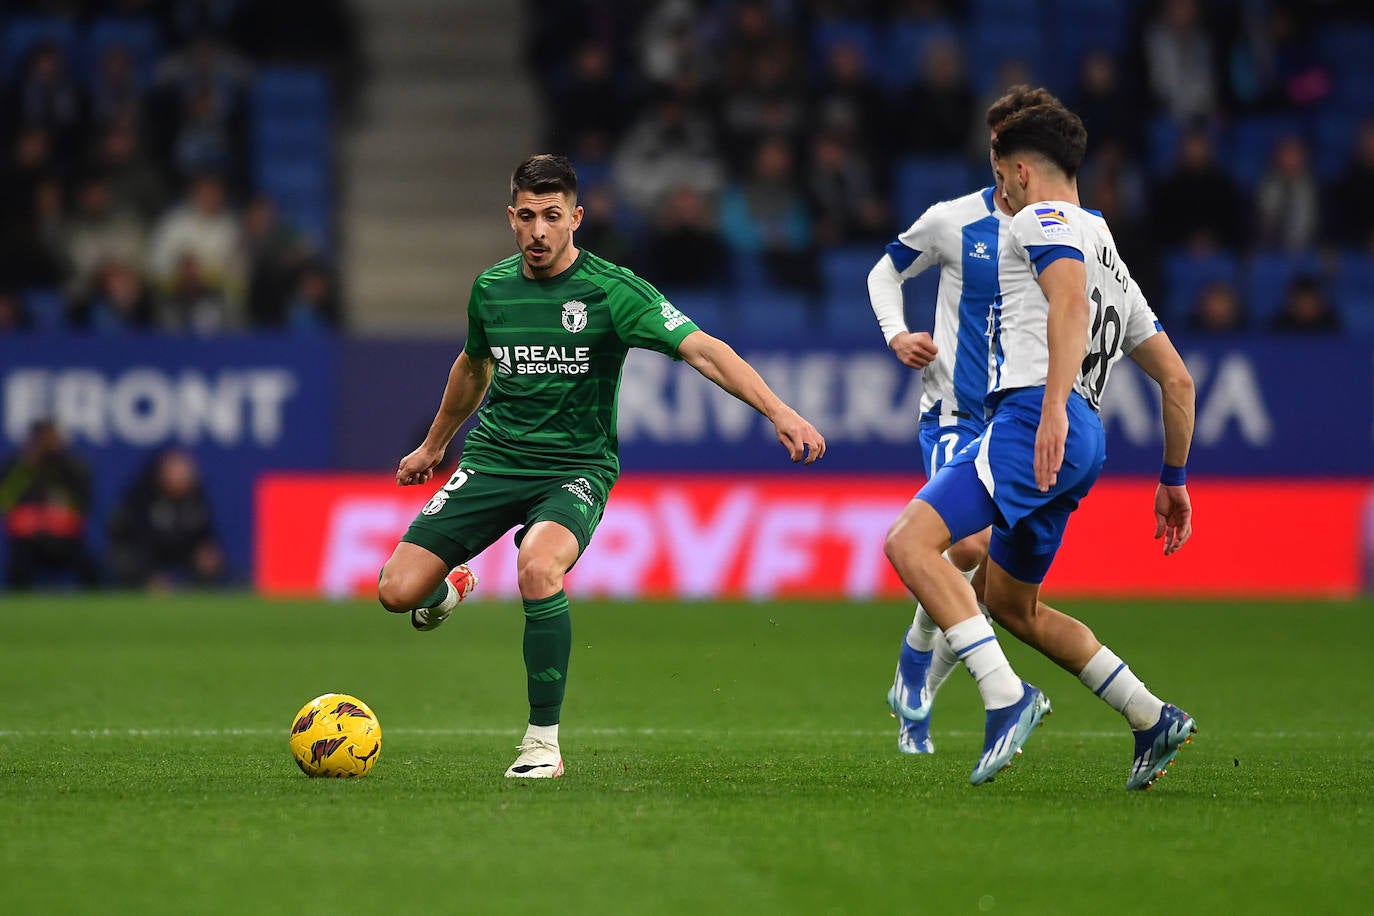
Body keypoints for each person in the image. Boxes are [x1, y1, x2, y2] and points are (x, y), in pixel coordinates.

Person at [376, 154, 826, 779]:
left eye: (552, 217)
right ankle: (451, 585)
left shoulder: (613, 292)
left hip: (574, 468)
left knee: (538, 566)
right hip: (494, 459)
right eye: (527, 216)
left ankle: (541, 744)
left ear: (576, 219)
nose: (538, 231)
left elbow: (702, 349)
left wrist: (777, 409)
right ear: (511, 218)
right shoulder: (491, 289)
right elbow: (472, 366)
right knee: (395, 592)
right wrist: (433, 446)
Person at [883, 102, 1198, 789]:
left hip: (1035, 420)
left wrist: (1050, 408)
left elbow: (1068, 307)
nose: (1001, 189)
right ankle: (1151, 716)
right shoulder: (1109, 255)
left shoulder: (1039, 219)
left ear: (1023, 171)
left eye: (1003, 175)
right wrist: (1173, 477)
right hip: (1085, 437)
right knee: (1012, 605)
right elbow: (1177, 380)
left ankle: (1005, 698)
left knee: (909, 544)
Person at [868, 85, 1058, 757]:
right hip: (955, 415)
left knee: (987, 578)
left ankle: (914, 665)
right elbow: (883, 273)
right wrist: (896, 334)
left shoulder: (1068, 233)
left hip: (1025, 423)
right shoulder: (953, 221)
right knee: (970, 546)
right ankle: (925, 673)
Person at [107, 448, 227, 590]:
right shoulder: (142, 496)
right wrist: (148, 575)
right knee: (126, 562)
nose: (184, 478)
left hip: (179, 550)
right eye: (178, 474)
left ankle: (194, 597)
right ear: (162, 474)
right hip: (143, 553)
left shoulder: (195, 496)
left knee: (211, 561)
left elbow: (205, 533)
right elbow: (136, 538)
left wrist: (206, 551)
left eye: (187, 474)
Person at [0, 420, 100, 589]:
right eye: (44, 439)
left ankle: (98, 605)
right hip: (29, 539)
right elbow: (5, 501)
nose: (48, 444)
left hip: (65, 538)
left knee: (89, 563)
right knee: (19, 562)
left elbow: (84, 504)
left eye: (52, 438)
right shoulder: (19, 467)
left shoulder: (73, 465)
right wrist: (28, 466)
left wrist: (59, 464)